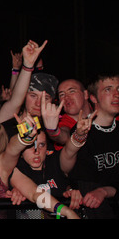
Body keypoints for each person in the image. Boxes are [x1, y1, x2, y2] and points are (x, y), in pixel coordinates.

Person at [68, 73, 119, 218]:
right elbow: (86, 188)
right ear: (93, 97)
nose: (116, 95)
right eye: (108, 89)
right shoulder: (82, 132)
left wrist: (105, 191)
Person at [47, 78, 93, 149]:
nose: (66, 97)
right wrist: (53, 131)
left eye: (72, 91)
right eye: (62, 95)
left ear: (85, 94)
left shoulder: (103, 114)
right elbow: (64, 137)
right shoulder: (63, 123)